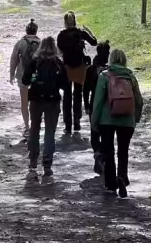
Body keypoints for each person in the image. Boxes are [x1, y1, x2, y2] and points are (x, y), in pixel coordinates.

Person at [91, 48, 144, 198]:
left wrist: (94, 122)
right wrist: (136, 118)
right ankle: (122, 177)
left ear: (111, 59)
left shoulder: (104, 76)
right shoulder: (130, 77)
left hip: (107, 120)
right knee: (123, 151)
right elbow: (139, 100)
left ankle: (110, 183)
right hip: (127, 119)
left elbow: (98, 102)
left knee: (108, 152)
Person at [22, 35, 68, 179]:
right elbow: (65, 85)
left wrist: (35, 81)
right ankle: (47, 163)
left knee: (34, 129)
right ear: (54, 47)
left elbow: (25, 80)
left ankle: (33, 160)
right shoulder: (58, 63)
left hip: (36, 99)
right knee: (49, 132)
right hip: (53, 101)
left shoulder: (35, 61)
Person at [56, 11, 97, 134]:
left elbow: (59, 51)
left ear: (65, 22)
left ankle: (68, 125)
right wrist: (89, 32)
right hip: (80, 67)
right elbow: (94, 42)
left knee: (67, 96)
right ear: (74, 21)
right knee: (78, 94)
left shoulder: (61, 35)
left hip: (67, 67)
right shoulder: (81, 33)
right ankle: (77, 121)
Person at [10, 20, 40, 136]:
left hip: (22, 75)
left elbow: (13, 60)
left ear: (26, 30)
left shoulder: (20, 43)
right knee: (35, 101)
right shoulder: (41, 43)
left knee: (24, 102)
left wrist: (11, 75)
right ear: (36, 31)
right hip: (36, 77)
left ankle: (27, 127)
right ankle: (34, 125)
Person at [84, 40, 110, 173]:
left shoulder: (91, 69)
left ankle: (97, 154)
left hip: (94, 104)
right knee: (106, 132)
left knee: (94, 132)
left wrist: (86, 104)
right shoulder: (110, 70)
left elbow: (86, 89)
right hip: (108, 106)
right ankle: (104, 157)